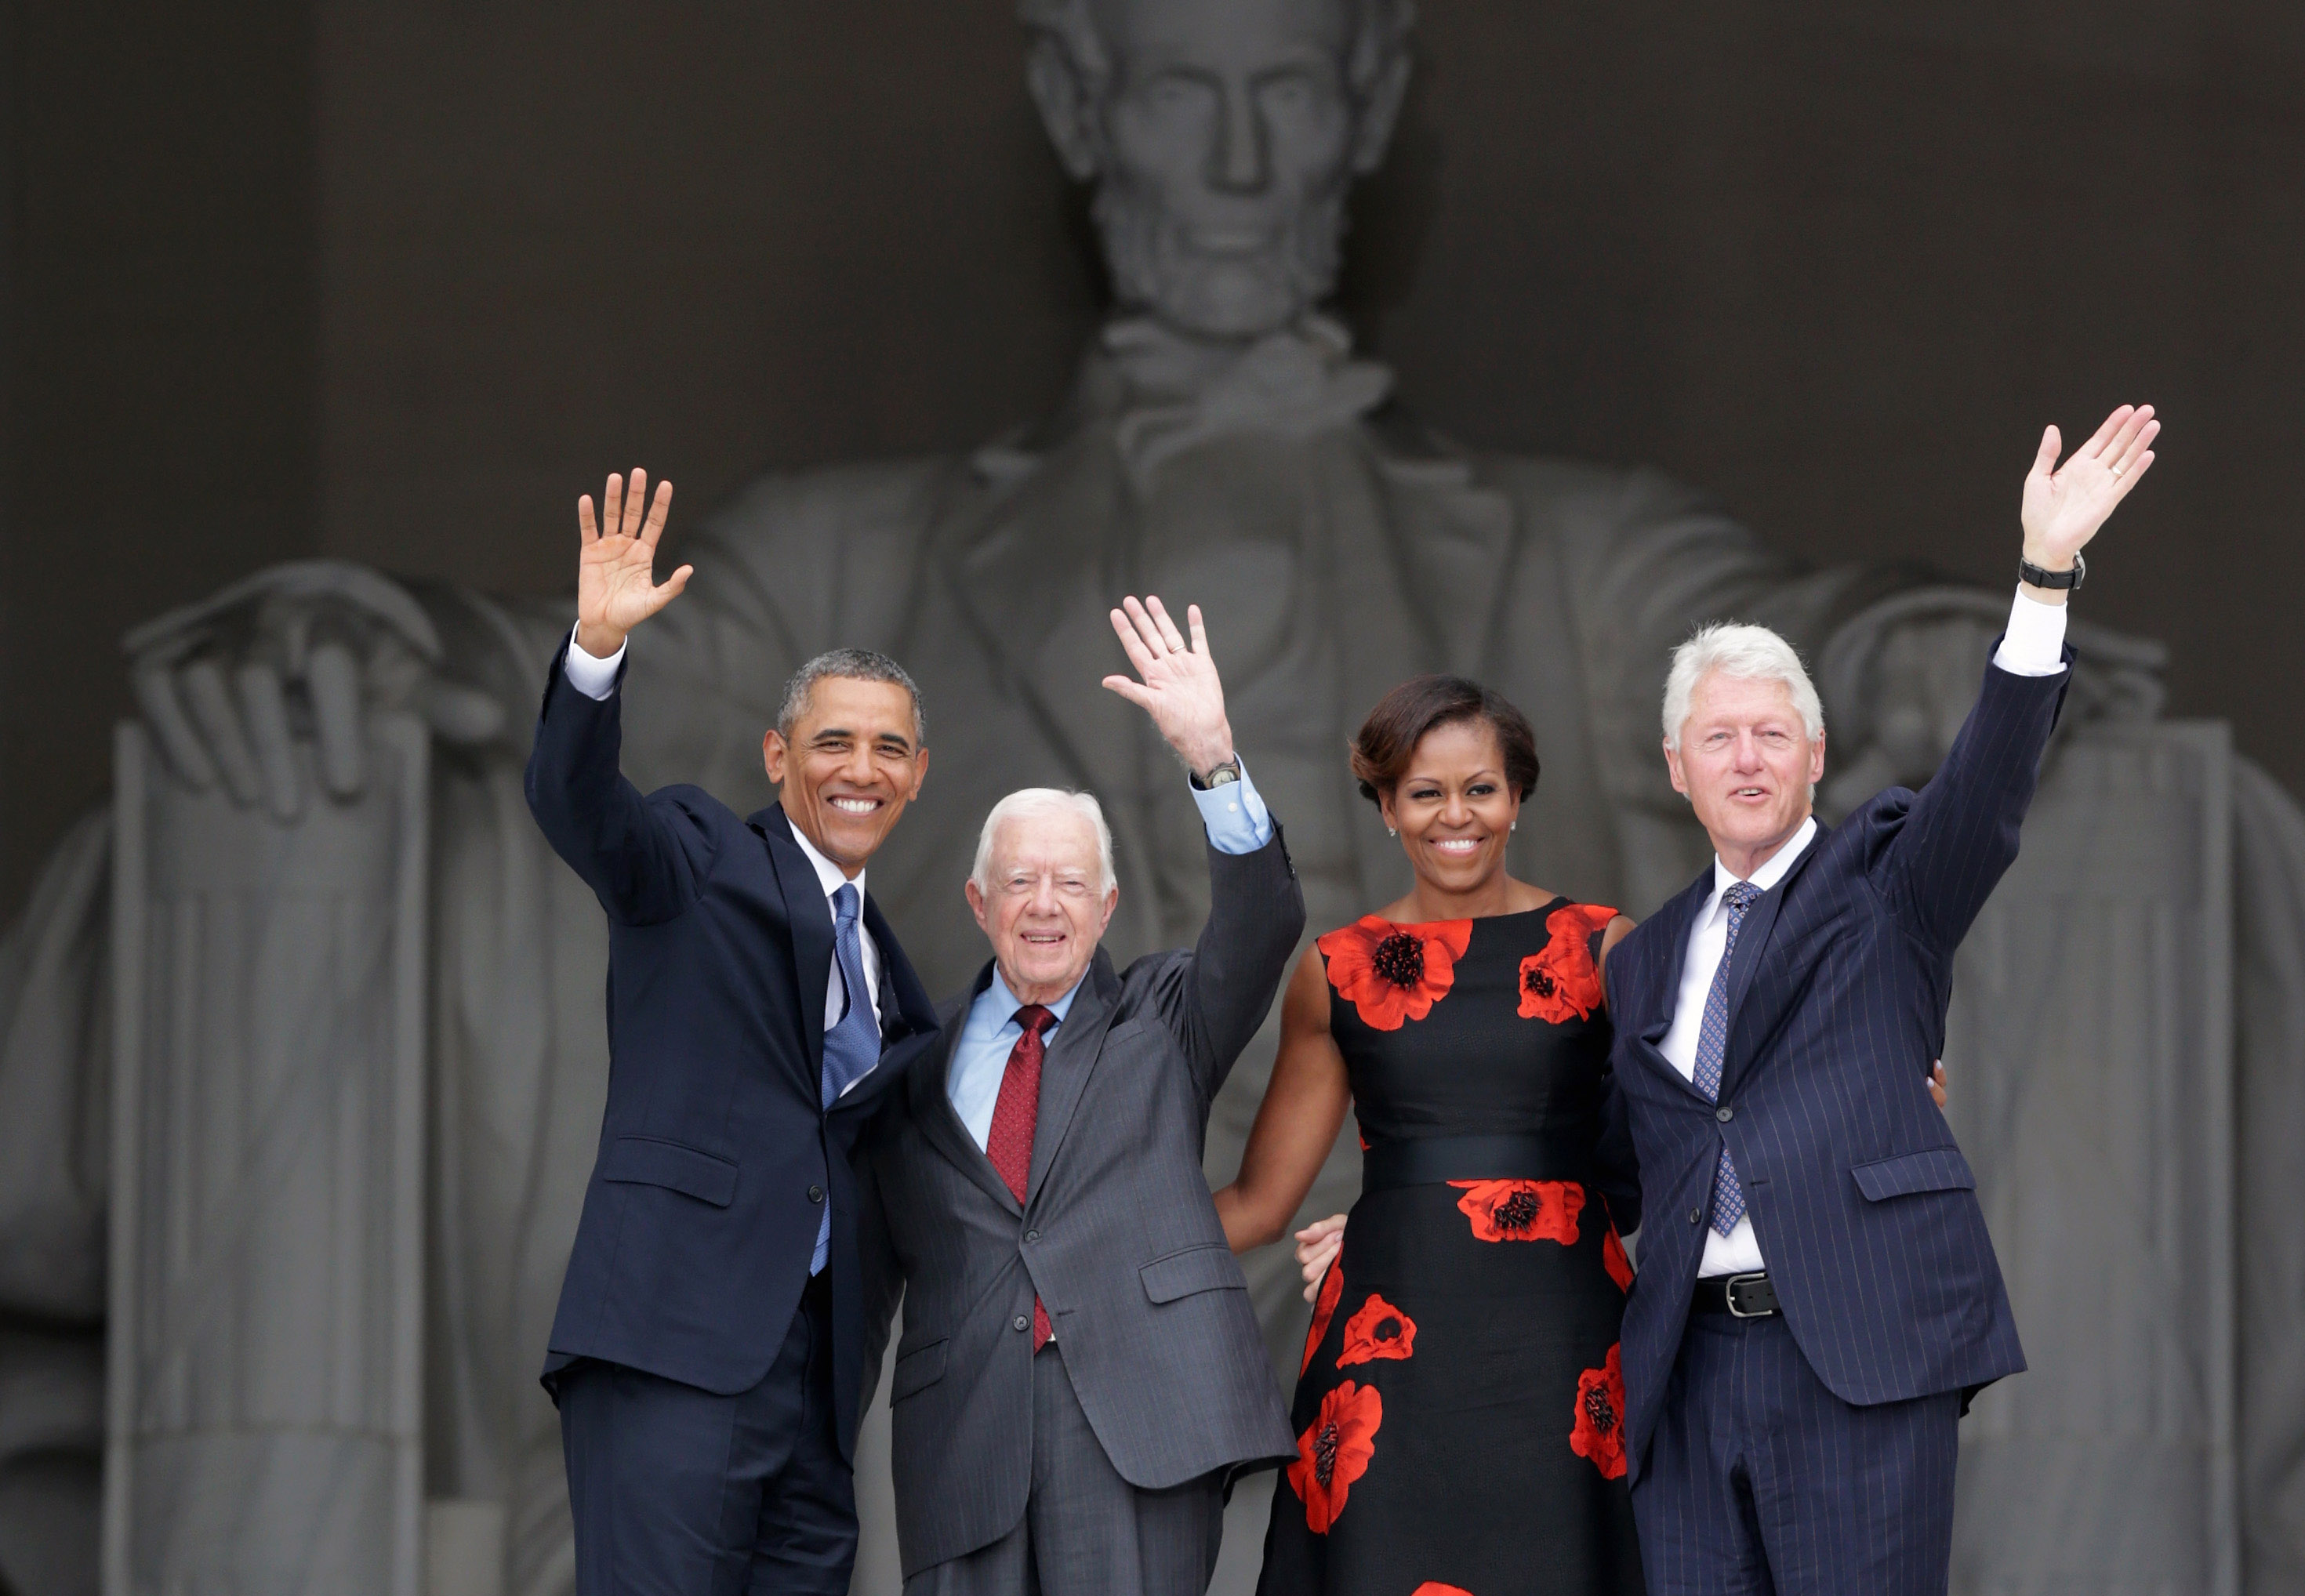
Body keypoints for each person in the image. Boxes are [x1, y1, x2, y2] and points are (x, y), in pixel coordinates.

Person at [1604, 406, 2159, 1594]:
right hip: (1684, 1374)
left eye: (1771, 733)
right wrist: (1409, 1218)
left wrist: (2044, 575)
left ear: (1815, 754)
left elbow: (1991, 783)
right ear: (1675, 769)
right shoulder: (1640, 959)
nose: (1746, 758)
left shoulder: (1889, 879)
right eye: (1718, 738)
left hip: (1850, 1351)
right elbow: (1609, 1167)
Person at [523, 470, 943, 1594]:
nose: (862, 770)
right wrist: (597, 649)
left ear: (916, 781)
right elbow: (578, 803)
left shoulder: (895, 970)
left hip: (816, 1381)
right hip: (674, 1343)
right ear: (776, 758)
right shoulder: (700, 859)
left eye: (889, 750)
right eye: (834, 742)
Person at [858, 595, 1302, 1595]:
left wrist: (1213, 756)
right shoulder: (908, 1062)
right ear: (979, 903)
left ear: (1107, 905)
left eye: (1070, 883)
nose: (1045, 905)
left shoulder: (1163, 1018)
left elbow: (1263, 920)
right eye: (1020, 882)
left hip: (1135, 1422)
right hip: (965, 1437)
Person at [1214, 670, 1647, 1596]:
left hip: (1567, 1350)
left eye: (1481, 787)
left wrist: (1881, 1095)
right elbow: (1256, 1205)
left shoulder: (1605, 946)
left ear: (1518, 796)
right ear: (1385, 806)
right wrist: (1084, 1236)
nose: (1457, 814)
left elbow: (1693, 1131)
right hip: (1390, 1356)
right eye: (1424, 791)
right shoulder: (1334, 968)